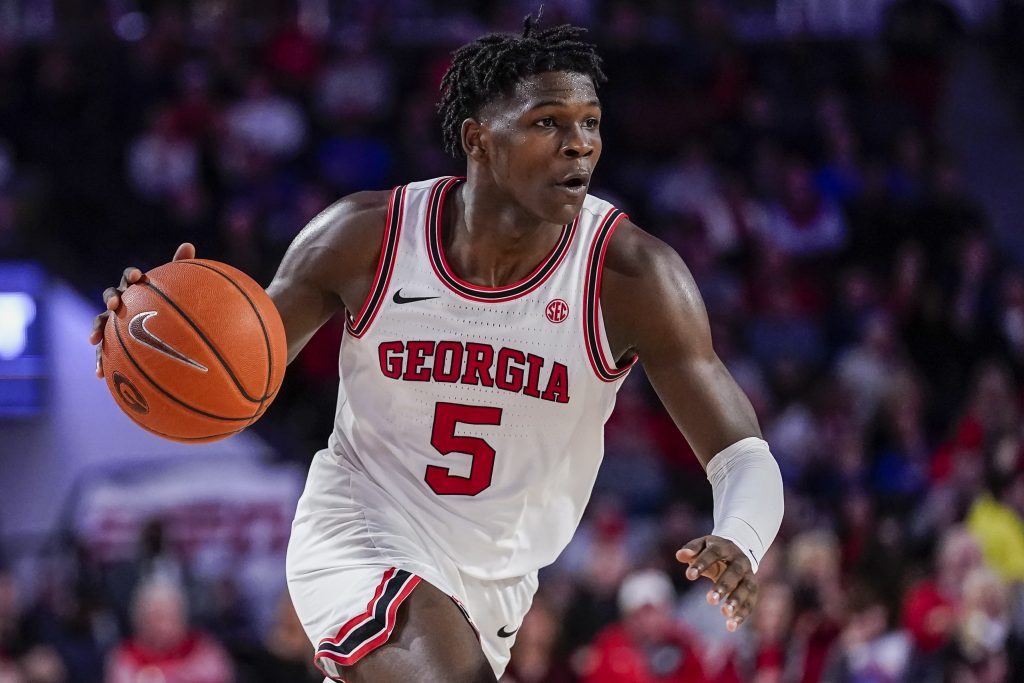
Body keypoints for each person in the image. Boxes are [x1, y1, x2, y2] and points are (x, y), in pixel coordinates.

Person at [90, 16, 784, 683]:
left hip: (496, 588)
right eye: (549, 122)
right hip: (359, 529)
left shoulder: (631, 277)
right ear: (480, 140)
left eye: (591, 124)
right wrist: (158, 337)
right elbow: (240, 379)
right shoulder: (366, 238)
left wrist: (741, 537)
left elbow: (742, 453)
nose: (580, 145)